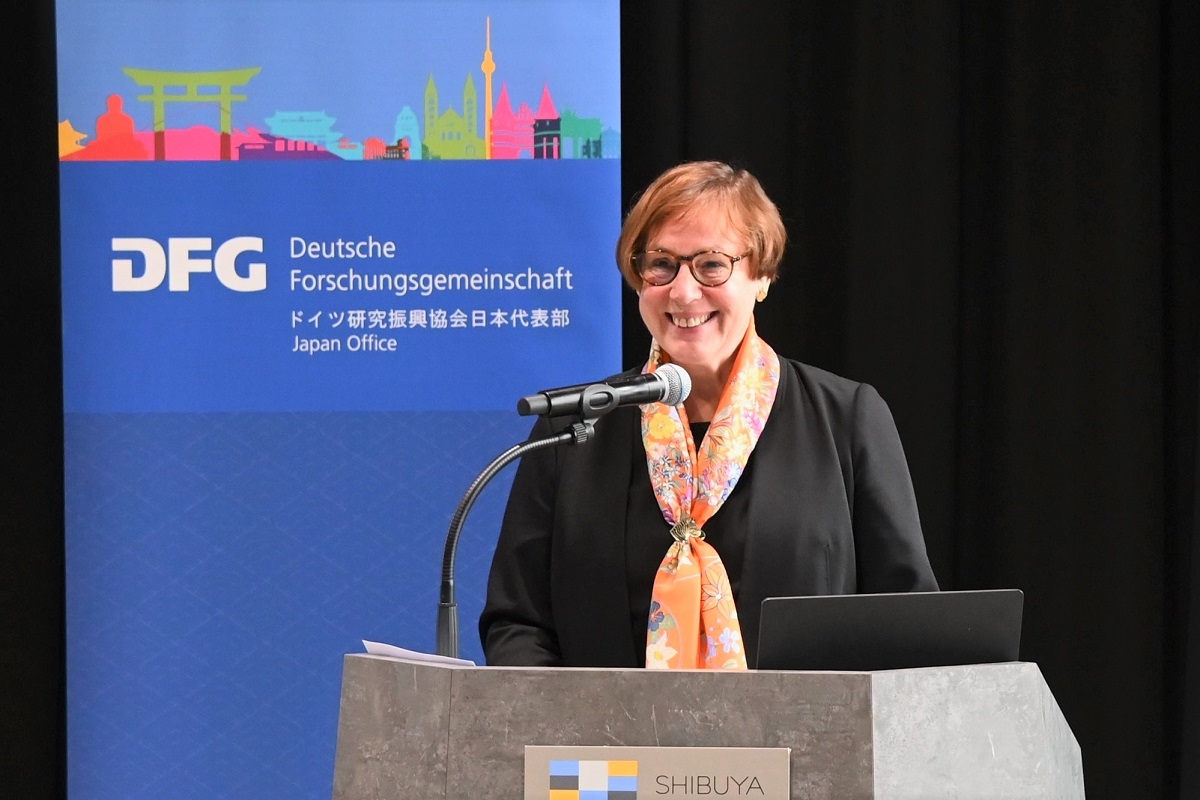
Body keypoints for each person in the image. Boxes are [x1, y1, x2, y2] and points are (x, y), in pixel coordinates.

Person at [479, 161, 937, 669]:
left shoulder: (848, 419)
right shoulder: (573, 430)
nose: (683, 291)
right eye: (661, 264)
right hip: (605, 747)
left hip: (800, 745)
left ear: (762, 274)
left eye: (711, 265)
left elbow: (905, 621)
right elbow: (518, 623)